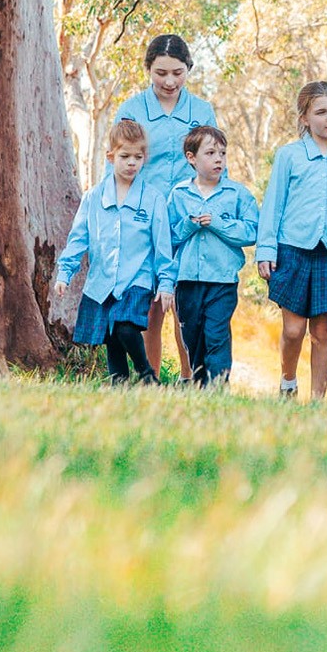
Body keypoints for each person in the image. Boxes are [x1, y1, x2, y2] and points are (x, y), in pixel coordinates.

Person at [114, 34, 213, 379]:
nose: (169, 82)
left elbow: (214, 163)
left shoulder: (201, 111)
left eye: (177, 72)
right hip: (144, 221)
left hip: (190, 219)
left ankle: (191, 379)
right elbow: (119, 165)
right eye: (161, 73)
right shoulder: (131, 110)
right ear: (148, 70)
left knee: (187, 308)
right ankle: (149, 378)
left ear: (188, 69)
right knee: (151, 306)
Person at [257, 81, 327, 400]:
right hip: (292, 250)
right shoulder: (290, 156)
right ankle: (288, 381)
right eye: (321, 112)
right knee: (293, 329)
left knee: (323, 332)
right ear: (304, 118)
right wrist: (266, 248)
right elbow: (273, 203)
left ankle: (317, 399)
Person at [55, 120, 176, 385]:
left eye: (138, 157)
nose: (131, 163)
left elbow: (162, 247)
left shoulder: (153, 199)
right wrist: (65, 273)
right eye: (125, 156)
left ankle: (147, 375)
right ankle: (118, 384)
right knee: (111, 337)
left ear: (145, 158)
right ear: (111, 157)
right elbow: (79, 239)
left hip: (137, 279)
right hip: (102, 280)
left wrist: (166, 282)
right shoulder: (94, 197)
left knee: (124, 326)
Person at [167, 125, 258, 388]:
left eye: (222, 153)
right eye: (210, 153)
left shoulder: (237, 194)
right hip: (187, 282)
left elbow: (251, 231)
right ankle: (199, 386)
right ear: (191, 157)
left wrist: (219, 223)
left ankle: (218, 387)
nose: (218, 158)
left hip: (222, 281)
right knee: (192, 335)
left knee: (216, 334)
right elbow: (169, 236)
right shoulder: (178, 194)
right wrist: (189, 224)